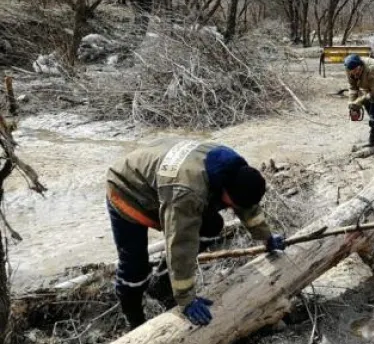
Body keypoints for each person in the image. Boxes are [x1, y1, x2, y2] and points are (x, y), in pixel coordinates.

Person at [106, 139, 285, 329]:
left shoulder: (234, 167)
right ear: (225, 188)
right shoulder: (187, 191)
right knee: (135, 268)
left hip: (161, 180)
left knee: (212, 224)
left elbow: (247, 207)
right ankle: (134, 322)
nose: (232, 208)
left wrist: (266, 237)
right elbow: (181, 243)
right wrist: (186, 299)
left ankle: (163, 283)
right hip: (127, 189)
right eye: (232, 204)